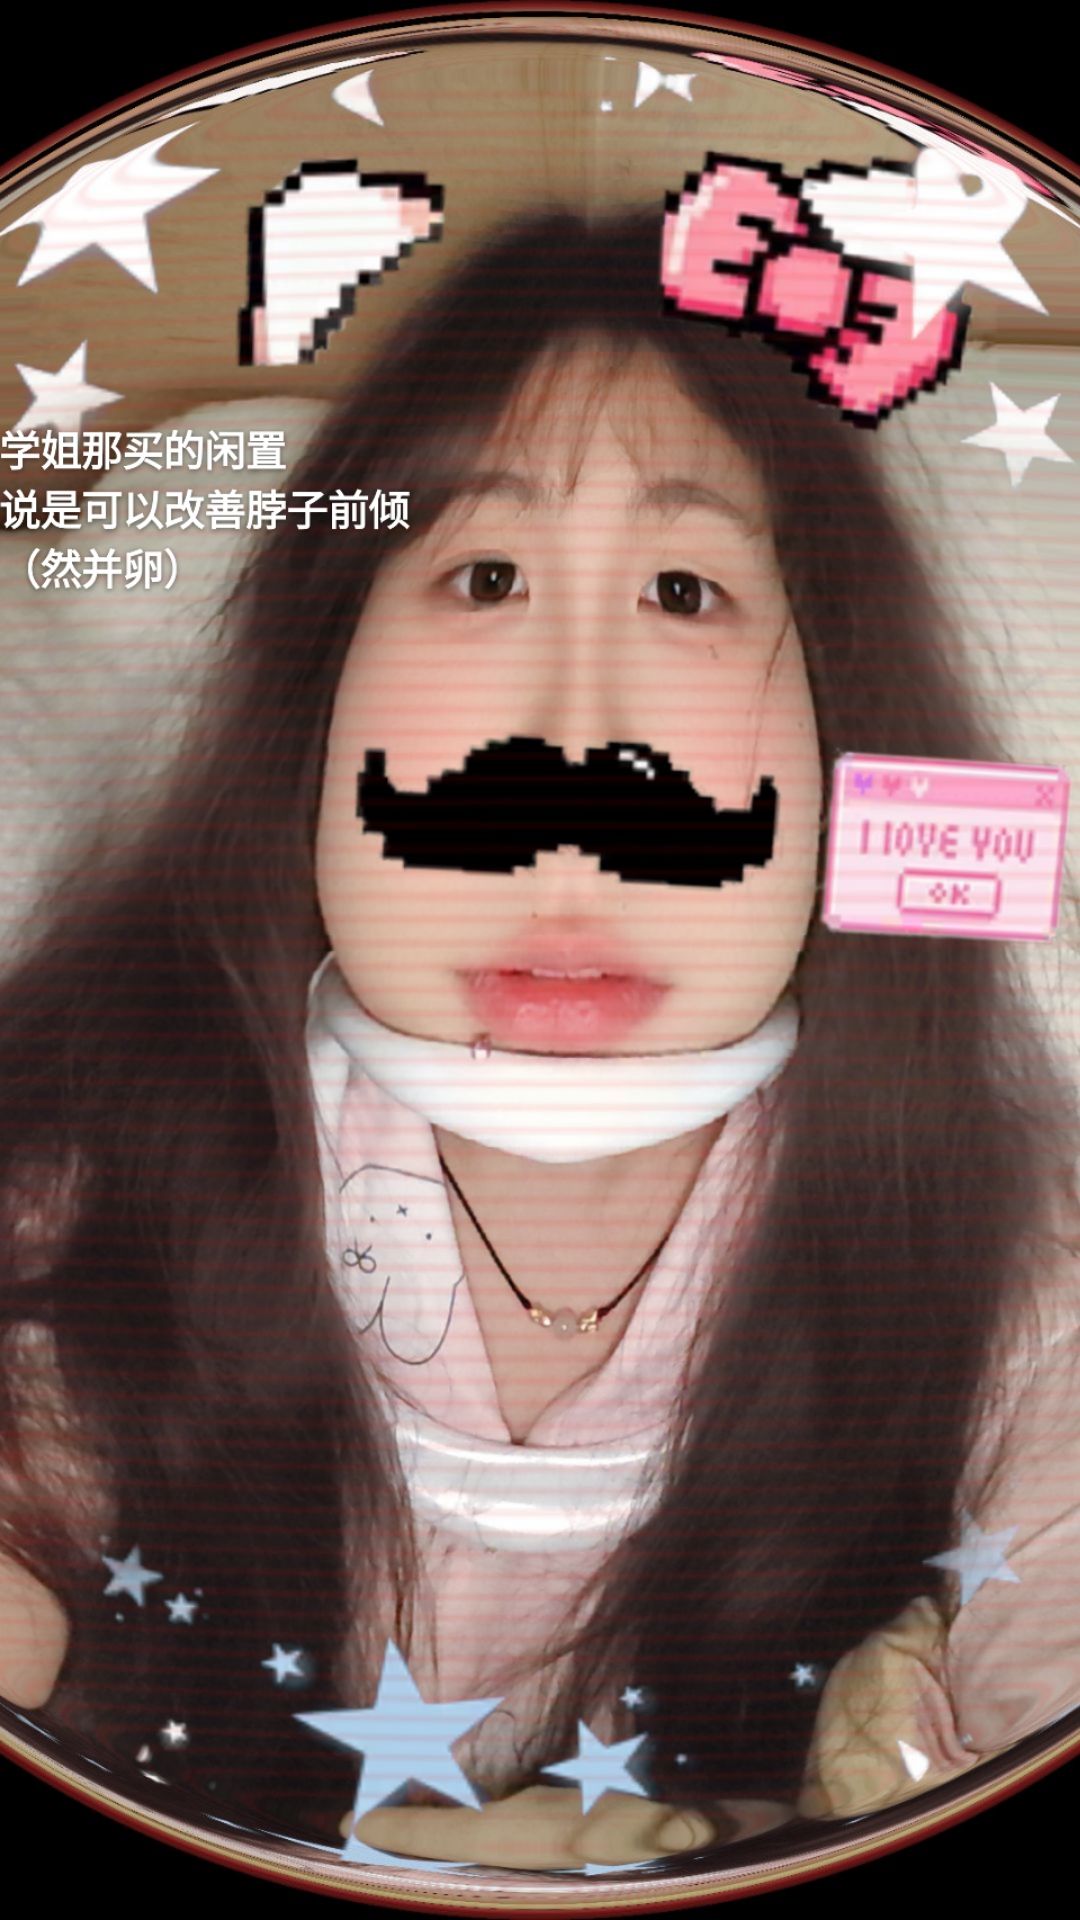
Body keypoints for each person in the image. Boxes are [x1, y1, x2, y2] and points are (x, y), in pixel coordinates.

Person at [0, 204, 1078, 1873]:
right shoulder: (87, 1184)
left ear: (844, 750)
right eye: (485, 576)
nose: (578, 732)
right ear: (314, 715)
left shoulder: (1008, 1253)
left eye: (685, 588)